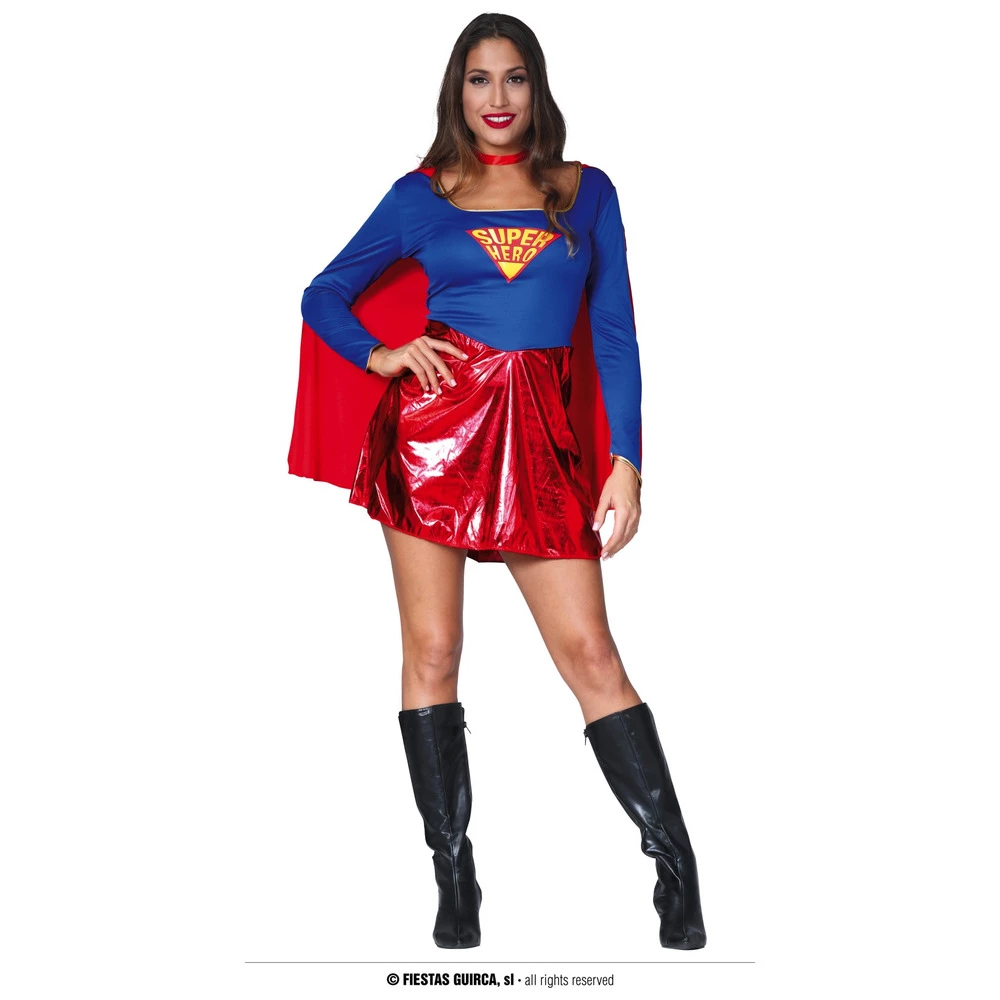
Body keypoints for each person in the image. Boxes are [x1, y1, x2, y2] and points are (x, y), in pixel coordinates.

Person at [288, 12, 706, 950]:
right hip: (430, 439)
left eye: (514, 77)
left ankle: (678, 873)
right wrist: (383, 353)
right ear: (458, 91)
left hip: (541, 441)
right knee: (433, 651)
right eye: (479, 80)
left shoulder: (585, 192)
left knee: (591, 655)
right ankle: (456, 879)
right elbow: (324, 292)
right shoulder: (420, 194)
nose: (498, 98)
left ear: (536, 86)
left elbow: (613, 332)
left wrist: (627, 460)